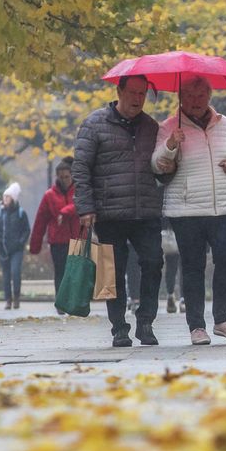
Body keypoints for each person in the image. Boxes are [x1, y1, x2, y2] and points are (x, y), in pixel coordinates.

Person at [152, 75, 226, 346]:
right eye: (190, 97)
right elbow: (156, 165)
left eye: (201, 96)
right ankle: (196, 326)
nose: (195, 102)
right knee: (192, 267)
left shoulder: (224, 124)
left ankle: (222, 319)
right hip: (187, 210)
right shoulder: (169, 126)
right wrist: (170, 145)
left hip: (224, 206)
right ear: (181, 98)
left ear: (209, 97)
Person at [73, 74, 165, 347]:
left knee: (153, 262)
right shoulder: (94, 124)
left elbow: (161, 170)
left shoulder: (152, 127)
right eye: (133, 92)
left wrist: (170, 159)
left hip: (146, 210)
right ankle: (118, 327)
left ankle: (146, 321)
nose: (138, 99)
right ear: (120, 91)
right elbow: (81, 169)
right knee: (112, 271)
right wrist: (86, 207)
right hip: (109, 211)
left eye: (143, 93)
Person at [29, 158, 80, 312]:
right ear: (57, 177)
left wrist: (66, 211)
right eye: (61, 177)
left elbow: (80, 205)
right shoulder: (49, 195)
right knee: (61, 272)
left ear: (72, 175)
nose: (64, 180)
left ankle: (73, 300)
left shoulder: (79, 191)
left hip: (77, 238)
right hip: (58, 240)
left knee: (75, 272)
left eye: (67, 176)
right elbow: (40, 221)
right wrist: (35, 245)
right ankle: (61, 302)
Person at [0, 182, 30, 310]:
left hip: (17, 249)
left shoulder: (20, 213)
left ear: (13, 198)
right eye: (4, 196)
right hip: (3, 249)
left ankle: (17, 297)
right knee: (6, 275)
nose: (5, 199)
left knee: (15, 272)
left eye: (7, 197)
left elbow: (26, 230)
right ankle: (8, 300)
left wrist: (21, 242)